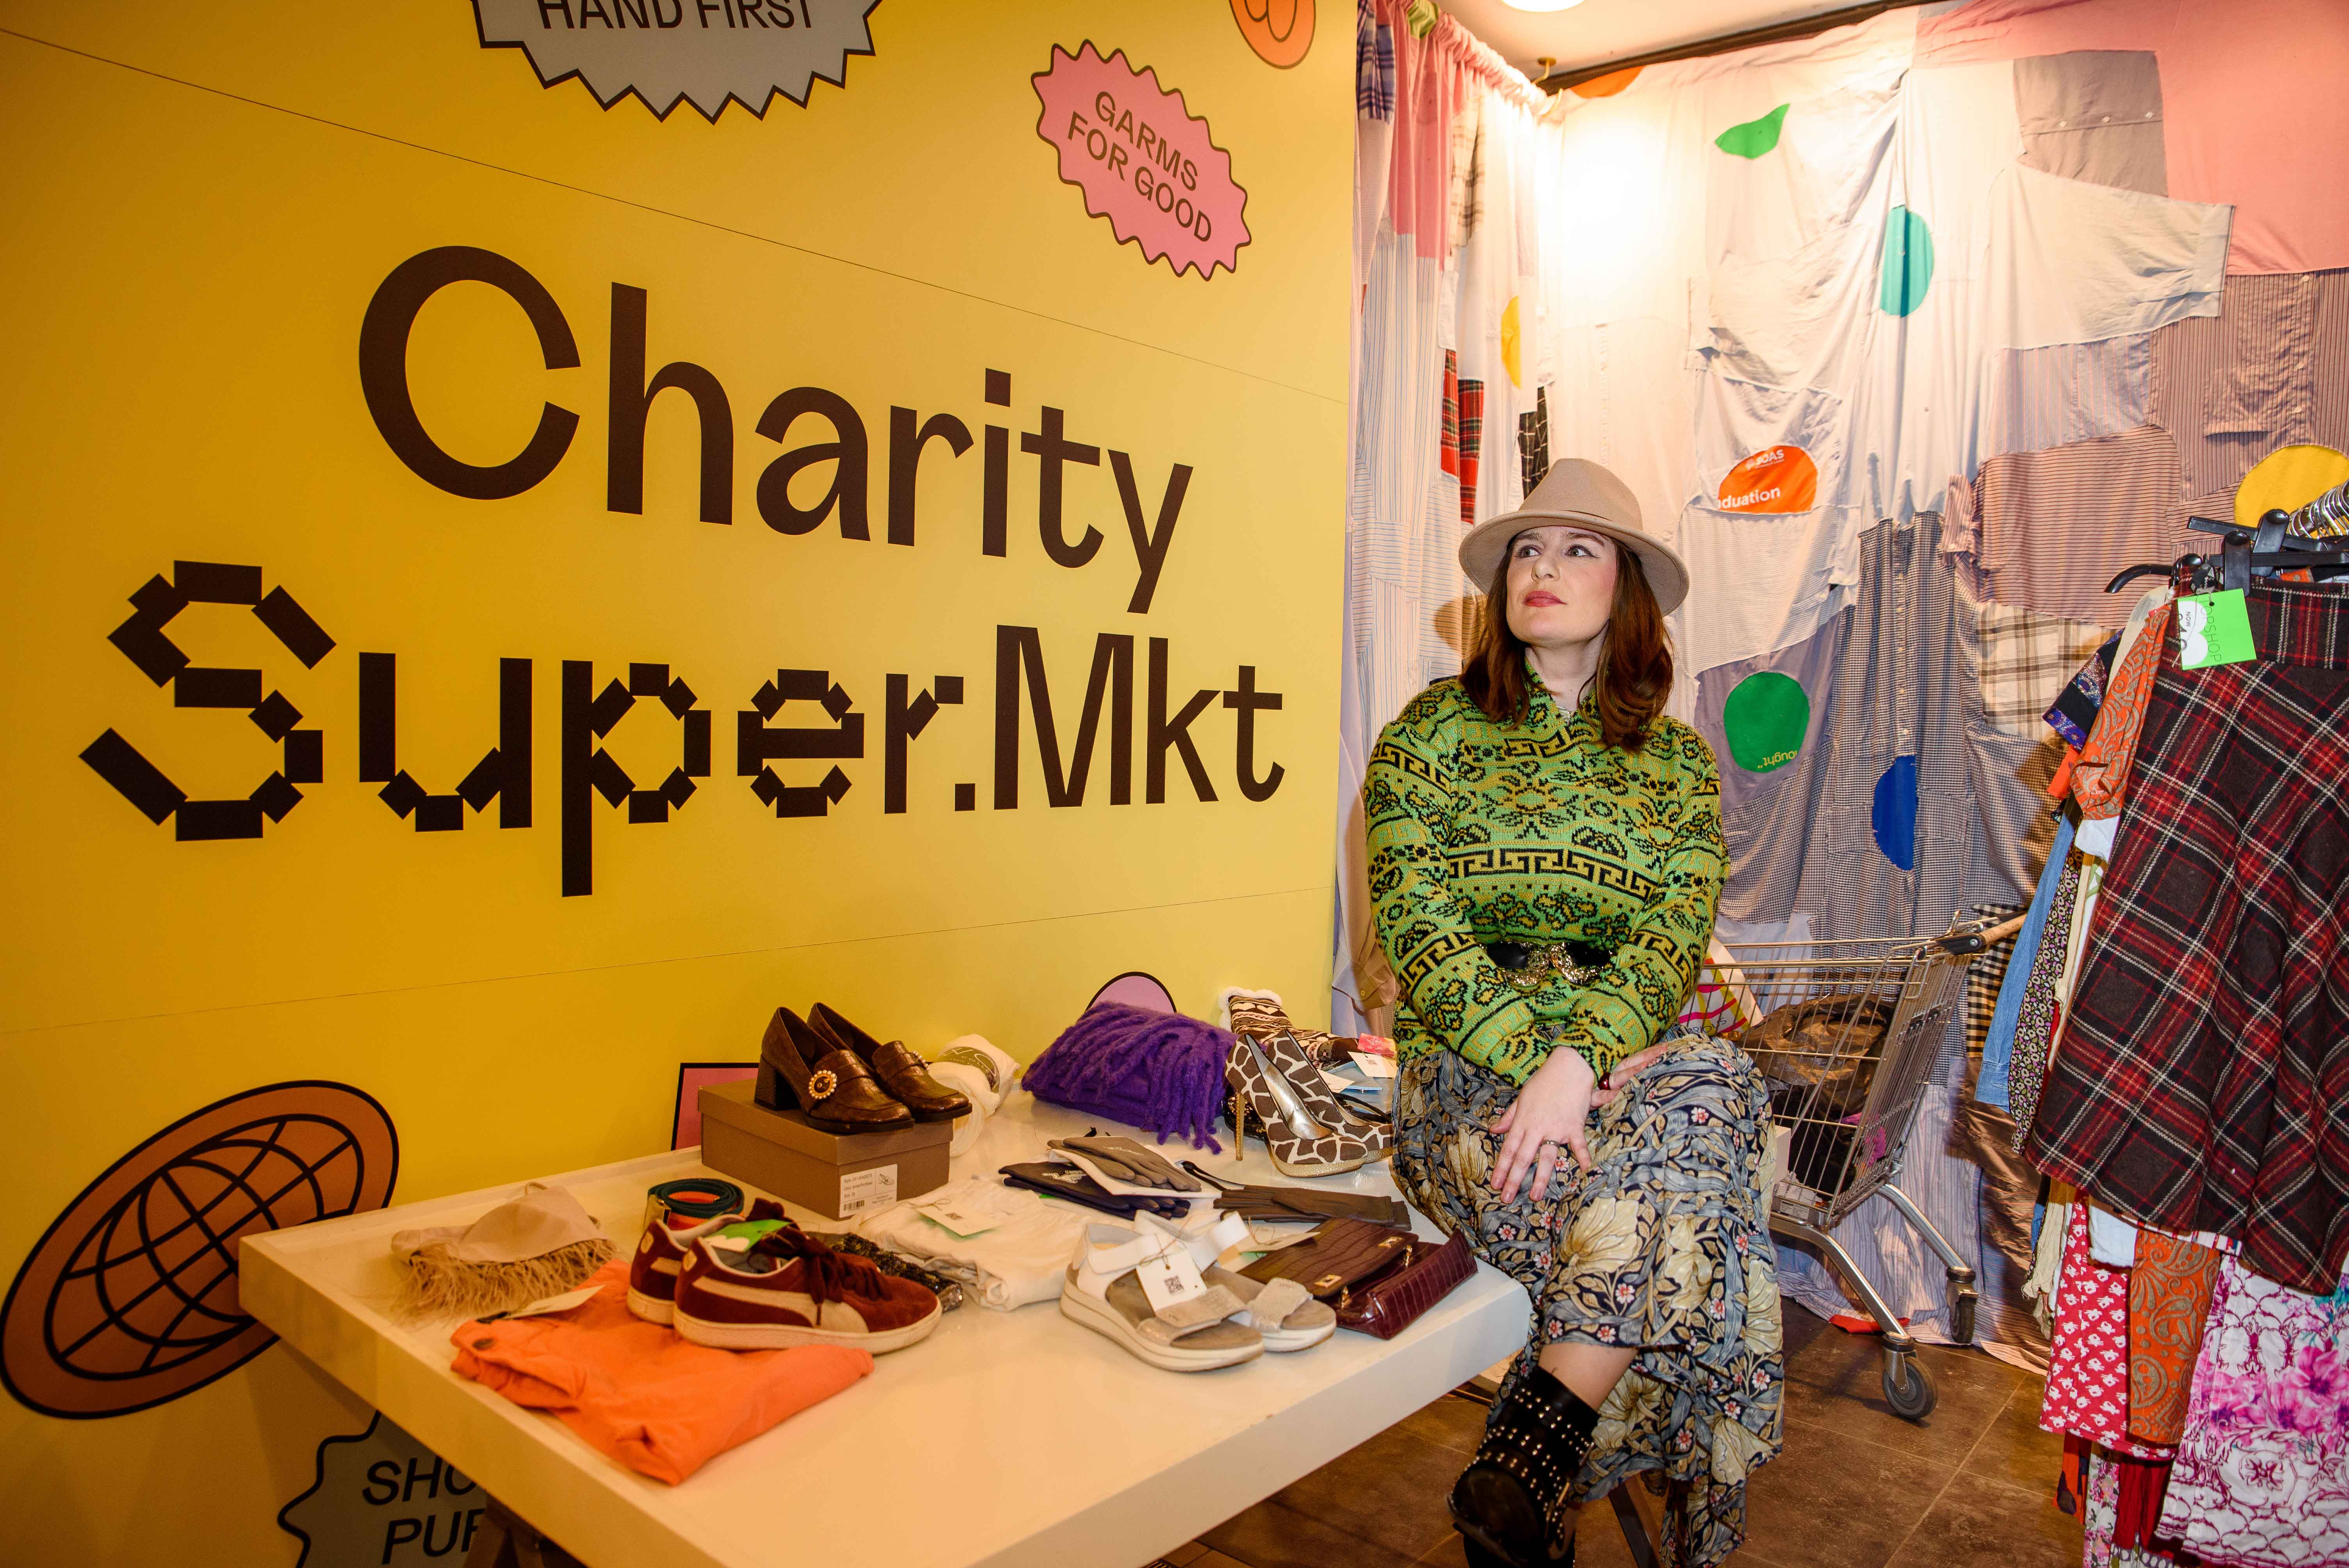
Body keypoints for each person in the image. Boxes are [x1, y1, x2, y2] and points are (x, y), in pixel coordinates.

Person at [1364, 459, 1783, 1568]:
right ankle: (1536, 1470)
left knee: (1715, 1084)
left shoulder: (1679, 765)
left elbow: (1669, 940)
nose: (1541, 567)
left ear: (1626, 588)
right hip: (1470, 1084)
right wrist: (1535, 1066)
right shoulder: (1426, 736)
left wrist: (1580, 1064)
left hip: (1616, 1074)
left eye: (1576, 549)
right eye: (1526, 549)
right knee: (1694, 1206)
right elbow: (1420, 929)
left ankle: (1524, 1471)